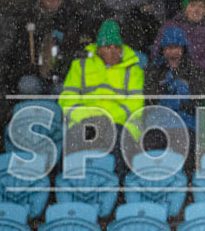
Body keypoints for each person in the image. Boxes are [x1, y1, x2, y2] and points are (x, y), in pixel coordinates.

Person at [58, 19, 144, 173]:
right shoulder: (80, 65)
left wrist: (107, 119)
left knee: (119, 141)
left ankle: (118, 184)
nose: (113, 51)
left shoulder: (134, 70)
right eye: (108, 47)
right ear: (98, 50)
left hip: (119, 123)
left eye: (116, 47)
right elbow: (67, 98)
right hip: (85, 121)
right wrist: (88, 117)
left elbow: (136, 104)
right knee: (72, 140)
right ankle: (71, 182)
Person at [145, 26, 205, 131]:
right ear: (163, 50)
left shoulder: (193, 71)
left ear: (183, 49)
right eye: (169, 48)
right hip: (160, 123)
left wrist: (185, 99)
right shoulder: (155, 71)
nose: (173, 52)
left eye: (176, 47)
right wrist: (165, 91)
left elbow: (200, 99)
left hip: (188, 125)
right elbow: (148, 98)